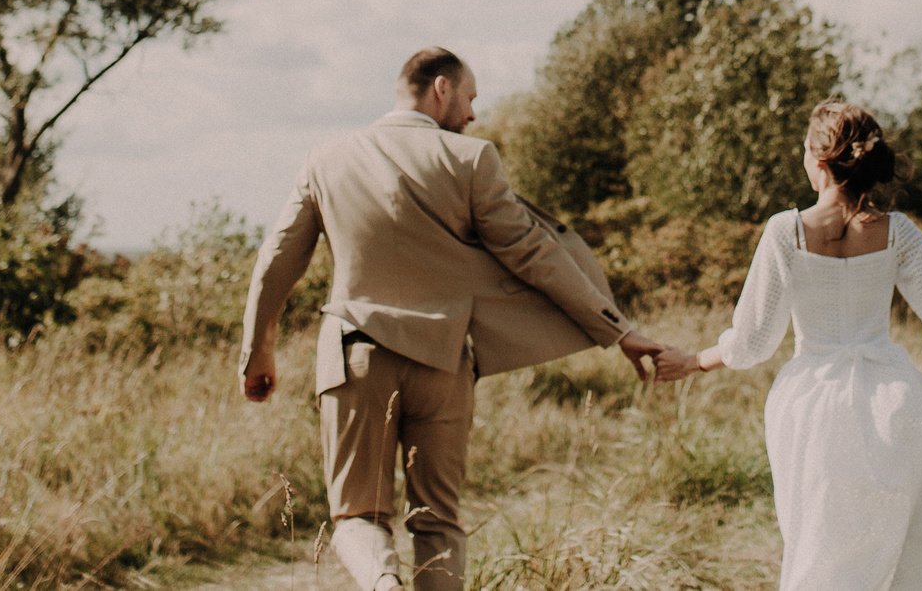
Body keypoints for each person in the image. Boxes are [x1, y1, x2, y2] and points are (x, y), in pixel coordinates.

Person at [239, 47, 671, 591]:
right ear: (440, 88)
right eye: (469, 98)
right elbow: (535, 253)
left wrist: (258, 349)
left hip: (356, 358)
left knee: (357, 515)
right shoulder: (470, 160)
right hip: (444, 363)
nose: (470, 114)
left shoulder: (326, 158)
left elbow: (277, 259)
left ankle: (382, 585)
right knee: (437, 520)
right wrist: (620, 330)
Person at [650, 100, 922, 591]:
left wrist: (692, 361)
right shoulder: (898, 233)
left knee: (817, 543)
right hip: (892, 401)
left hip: (810, 406)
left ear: (819, 165)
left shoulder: (786, 231)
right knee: (890, 541)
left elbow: (753, 341)